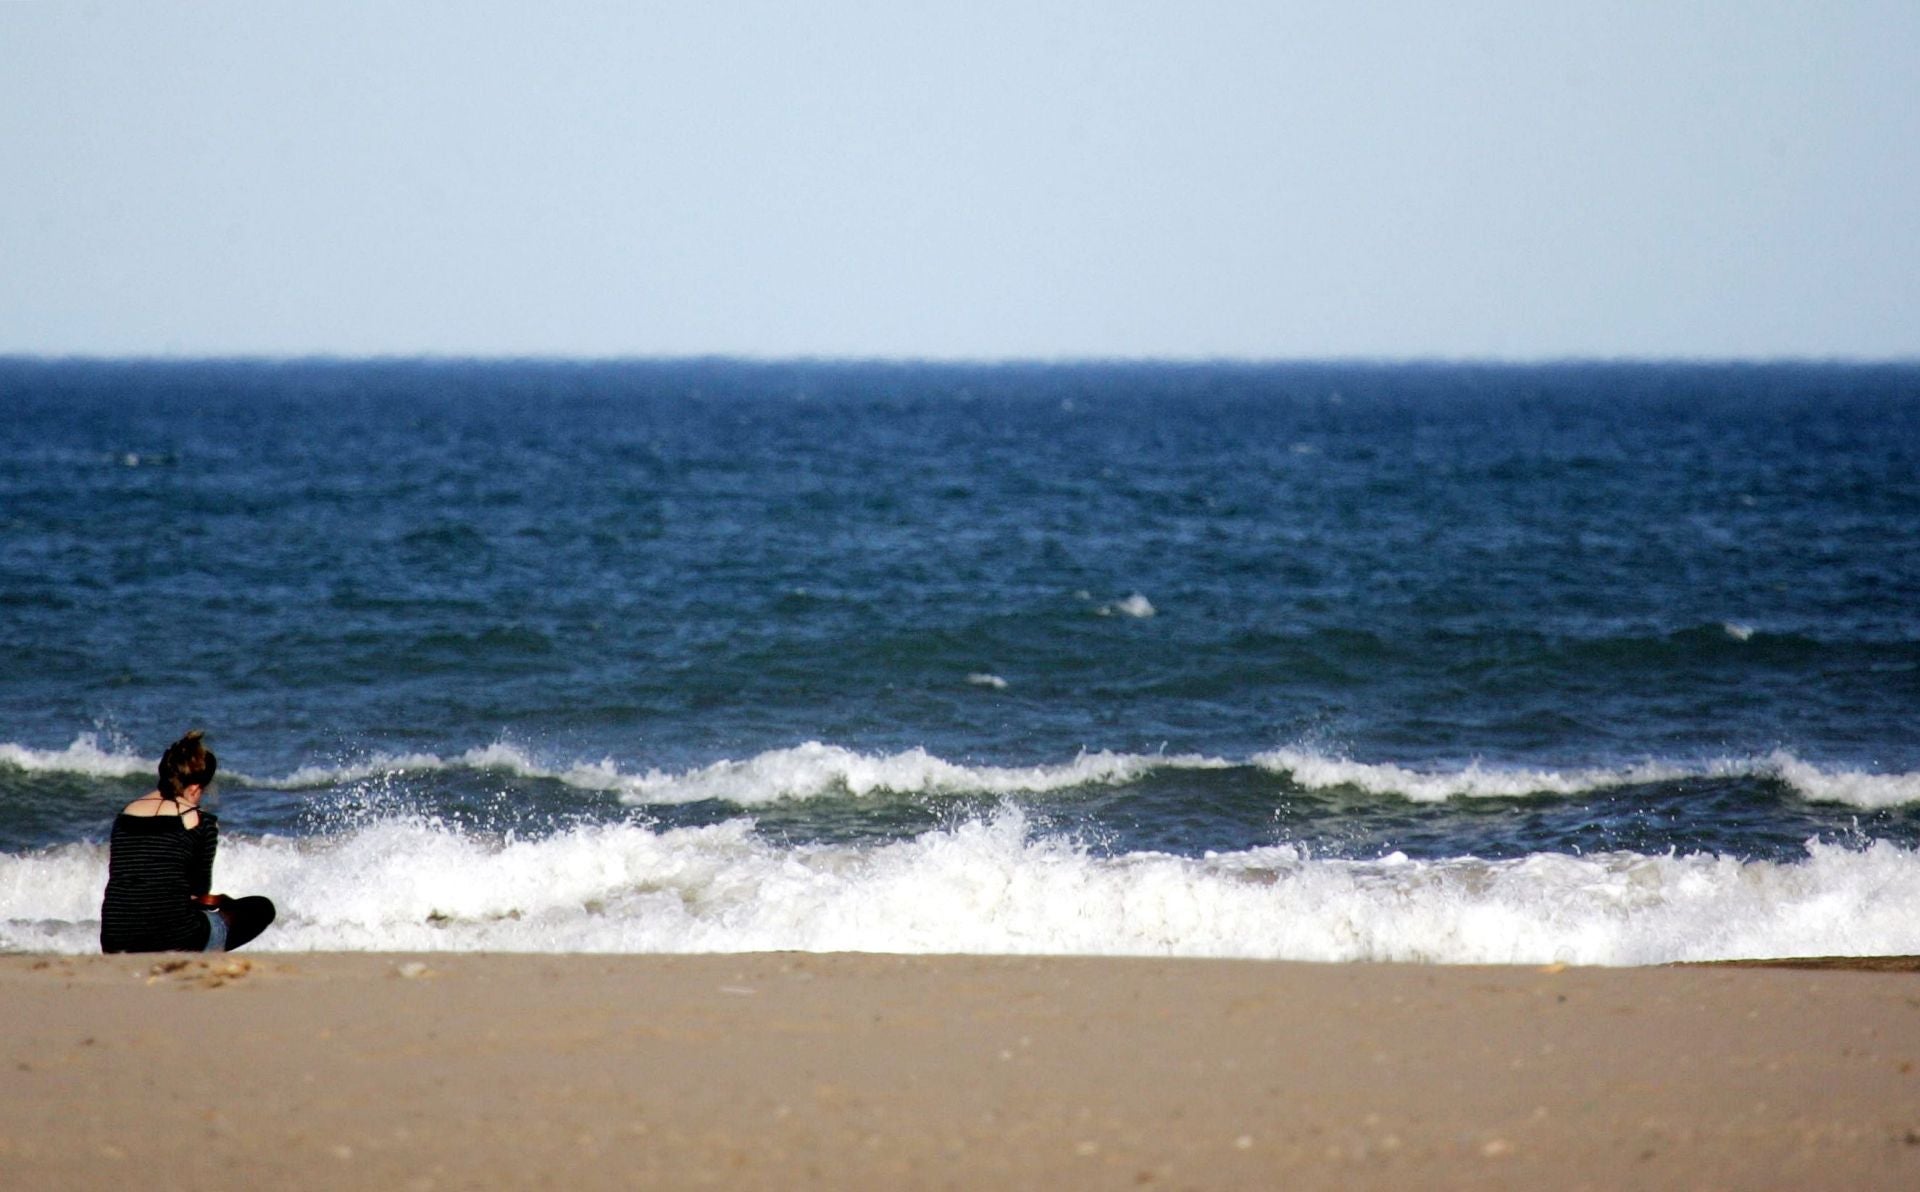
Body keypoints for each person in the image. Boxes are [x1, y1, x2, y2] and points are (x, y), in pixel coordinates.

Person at [101, 730, 276, 953]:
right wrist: (223, 902)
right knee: (261, 908)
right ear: (194, 788)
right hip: (176, 940)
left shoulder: (124, 815)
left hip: (114, 941)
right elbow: (198, 891)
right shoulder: (199, 821)